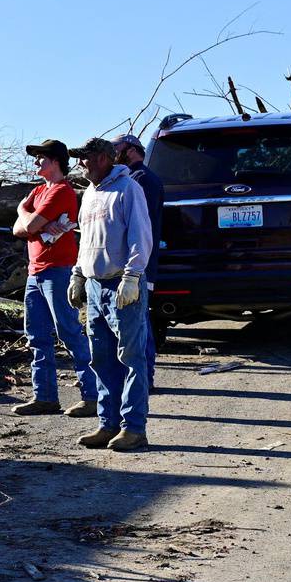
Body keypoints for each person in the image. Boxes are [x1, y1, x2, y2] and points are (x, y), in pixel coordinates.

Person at [70, 136, 156, 451]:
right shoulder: (90, 195)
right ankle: (108, 424)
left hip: (122, 284)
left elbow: (140, 235)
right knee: (102, 357)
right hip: (95, 286)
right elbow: (85, 239)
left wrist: (133, 277)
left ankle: (134, 428)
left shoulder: (128, 188)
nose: (81, 163)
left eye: (86, 157)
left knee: (131, 358)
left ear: (104, 159)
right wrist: (78, 275)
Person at [10, 139, 99, 417]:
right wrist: (26, 217)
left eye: (41, 158)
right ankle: (45, 397)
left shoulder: (62, 191)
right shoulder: (37, 191)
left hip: (58, 270)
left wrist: (25, 214)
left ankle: (93, 396)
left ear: (56, 161)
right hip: (34, 272)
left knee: (70, 332)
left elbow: (30, 225)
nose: (36, 162)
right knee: (36, 336)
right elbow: (17, 230)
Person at [113, 131, 166, 390]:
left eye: (117, 148)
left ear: (132, 150)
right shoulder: (129, 178)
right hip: (129, 266)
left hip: (139, 265)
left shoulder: (141, 179)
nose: (113, 154)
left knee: (140, 323)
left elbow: (138, 228)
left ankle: (145, 379)